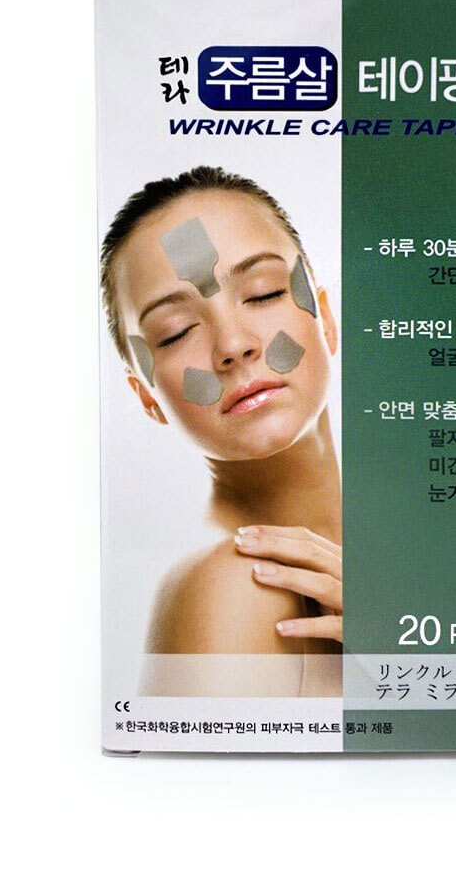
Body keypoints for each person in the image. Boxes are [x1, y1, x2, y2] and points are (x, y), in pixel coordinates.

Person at [100, 167, 342, 696]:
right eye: (176, 332)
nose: (233, 345)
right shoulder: (239, 584)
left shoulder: (417, 547)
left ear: (325, 319)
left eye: (262, 292)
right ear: (147, 397)